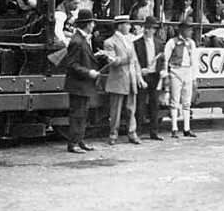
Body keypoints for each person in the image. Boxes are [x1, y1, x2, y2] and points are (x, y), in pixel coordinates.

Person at [104, 15, 146, 145]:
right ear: (120, 26)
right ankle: (113, 135)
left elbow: (135, 62)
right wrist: (126, 59)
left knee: (131, 109)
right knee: (115, 110)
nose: (129, 27)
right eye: (127, 24)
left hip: (131, 80)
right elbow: (111, 62)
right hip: (118, 80)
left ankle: (132, 133)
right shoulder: (109, 42)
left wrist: (139, 77)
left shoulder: (130, 41)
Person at [63, 9, 101, 154]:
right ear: (87, 24)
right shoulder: (77, 41)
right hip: (78, 85)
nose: (93, 25)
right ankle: (73, 144)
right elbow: (72, 65)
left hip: (82, 85)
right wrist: (89, 72)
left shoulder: (82, 39)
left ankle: (79, 140)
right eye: (92, 22)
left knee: (82, 114)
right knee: (77, 114)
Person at [134, 16, 166, 140]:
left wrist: (163, 70)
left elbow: (162, 60)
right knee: (140, 104)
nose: (149, 30)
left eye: (152, 28)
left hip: (155, 76)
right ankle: (138, 131)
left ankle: (154, 132)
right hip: (143, 76)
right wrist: (141, 71)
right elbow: (134, 61)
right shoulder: (137, 43)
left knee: (154, 105)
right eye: (147, 28)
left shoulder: (159, 43)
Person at [165, 19, 198, 138]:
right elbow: (166, 59)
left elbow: (194, 61)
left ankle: (186, 128)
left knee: (187, 101)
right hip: (175, 71)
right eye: (188, 29)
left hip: (187, 71)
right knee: (174, 100)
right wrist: (166, 74)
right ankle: (174, 128)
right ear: (182, 30)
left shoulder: (191, 43)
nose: (191, 32)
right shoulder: (172, 42)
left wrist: (194, 78)